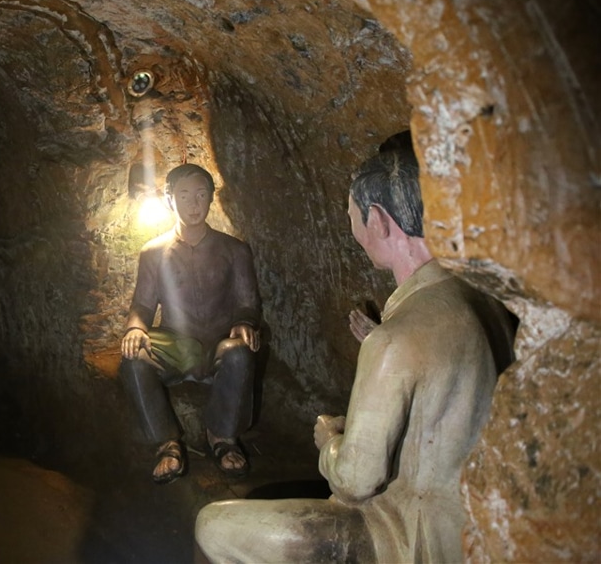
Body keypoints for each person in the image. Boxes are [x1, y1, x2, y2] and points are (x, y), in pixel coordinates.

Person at [195, 141, 516, 562]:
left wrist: (331, 441)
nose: (353, 229)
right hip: (484, 523)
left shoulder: (396, 341)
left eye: (352, 217)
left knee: (213, 524)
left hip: (413, 535)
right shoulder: (490, 299)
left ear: (379, 220)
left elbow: (355, 479)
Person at [119, 163, 262, 485]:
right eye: (184, 196)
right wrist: (135, 328)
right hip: (175, 343)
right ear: (170, 200)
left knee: (240, 353)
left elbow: (246, 302)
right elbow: (142, 303)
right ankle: (167, 443)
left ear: (212, 198)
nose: (194, 204)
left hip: (218, 342)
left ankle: (222, 438)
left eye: (201, 195)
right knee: (133, 359)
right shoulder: (153, 252)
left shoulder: (234, 250)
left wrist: (244, 322)